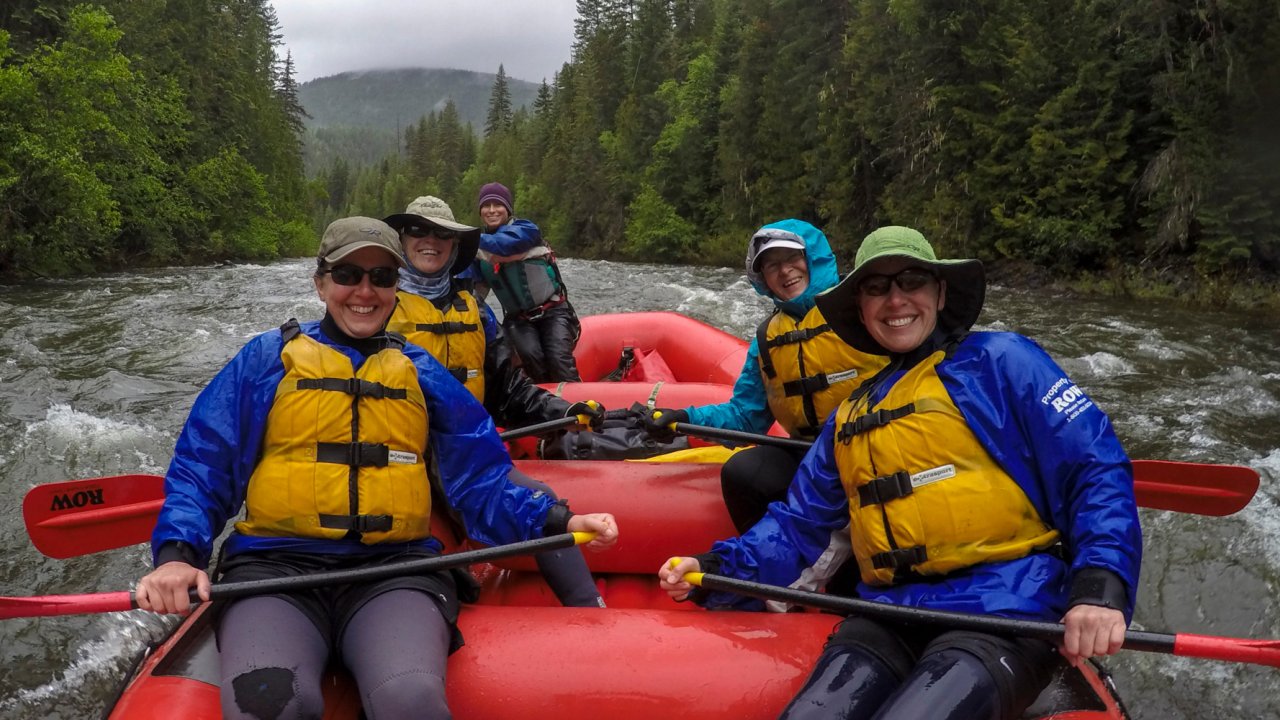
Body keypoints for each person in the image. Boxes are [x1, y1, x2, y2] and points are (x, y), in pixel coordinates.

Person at [135, 217, 618, 719]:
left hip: (394, 571)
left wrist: (559, 520)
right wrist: (177, 555)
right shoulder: (266, 359)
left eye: (382, 277)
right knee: (270, 705)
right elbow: (203, 466)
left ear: (395, 286)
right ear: (321, 283)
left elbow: (482, 479)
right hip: (275, 571)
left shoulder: (422, 372)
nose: (364, 291)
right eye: (348, 275)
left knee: (410, 700)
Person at [659, 226, 1141, 720]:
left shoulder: (1002, 361)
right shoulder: (850, 415)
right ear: (860, 308)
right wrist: (717, 570)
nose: (895, 300)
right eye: (876, 287)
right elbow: (798, 524)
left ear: (940, 293)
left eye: (912, 281)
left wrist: (1100, 588)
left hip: (1003, 608)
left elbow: (1095, 468)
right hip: (889, 612)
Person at [383, 195, 607, 607]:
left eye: (441, 234)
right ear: (401, 241)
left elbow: (510, 392)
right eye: (417, 230)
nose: (430, 240)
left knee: (541, 502)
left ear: (454, 246)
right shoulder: (375, 308)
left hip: (466, 458)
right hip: (398, 462)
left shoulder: (476, 312)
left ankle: (593, 614)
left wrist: (564, 411)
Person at [640, 219, 885, 533]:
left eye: (792, 257)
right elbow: (745, 415)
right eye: (772, 265)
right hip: (811, 455)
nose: (785, 271)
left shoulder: (865, 311)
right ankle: (781, 550)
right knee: (744, 472)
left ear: (813, 258)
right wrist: (684, 418)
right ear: (763, 279)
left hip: (878, 449)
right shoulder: (767, 340)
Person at [471, 181, 581, 382]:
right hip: (518, 320)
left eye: (498, 205)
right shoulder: (477, 252)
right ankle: (542, 398)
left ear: (508, 209)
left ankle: (577, 398)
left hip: (553, 311)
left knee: (558, 358)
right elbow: (470, 290)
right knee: (531, 357)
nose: (492, 210)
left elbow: (504, 245)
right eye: (486, 206)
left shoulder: (527, 230)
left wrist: (466, 238)